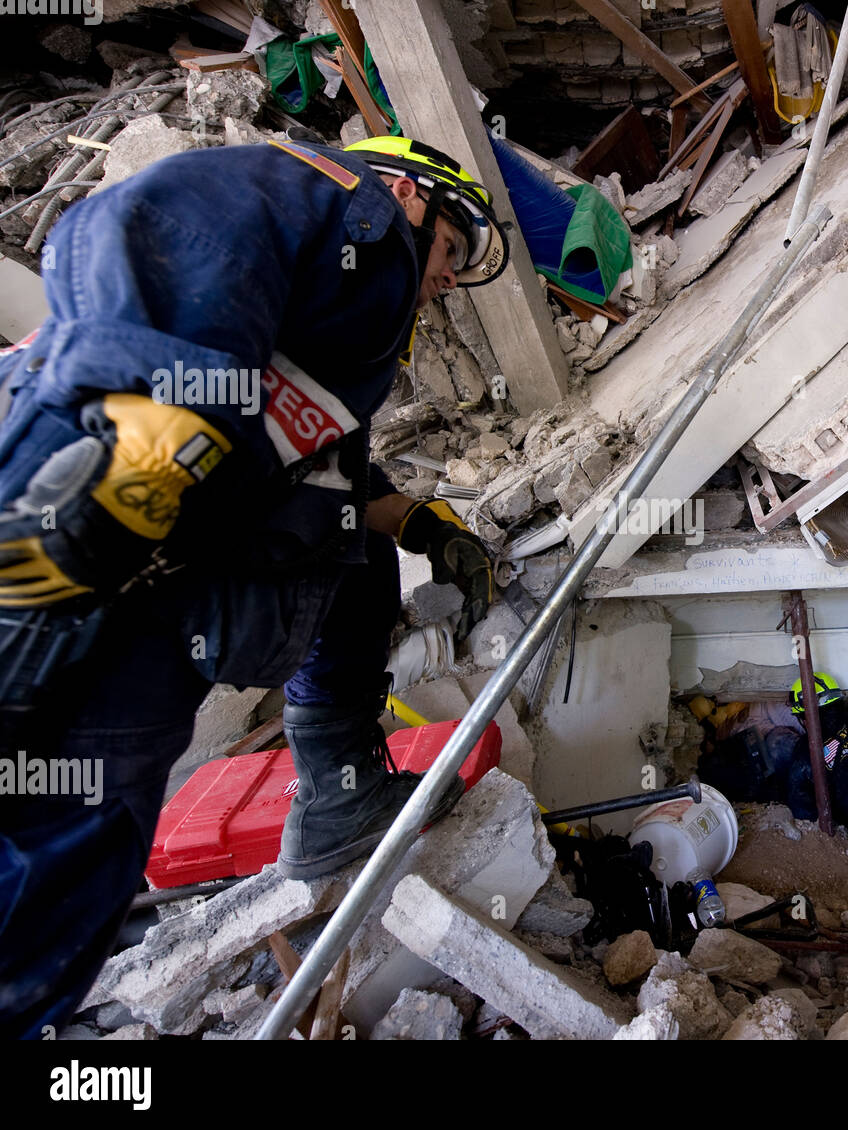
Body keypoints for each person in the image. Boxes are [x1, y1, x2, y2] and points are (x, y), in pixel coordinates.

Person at [0, 134, 509, 1038]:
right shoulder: (339, 207)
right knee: (55, 824)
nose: (446, 279)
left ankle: (341, 788)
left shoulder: (333, 326)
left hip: (149, 571)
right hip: (67, 530)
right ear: (407, 192)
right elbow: (159, 240)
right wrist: (106, 491)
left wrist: (424, 523)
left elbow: (329, 474)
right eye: (450, 251)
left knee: (86, 829)